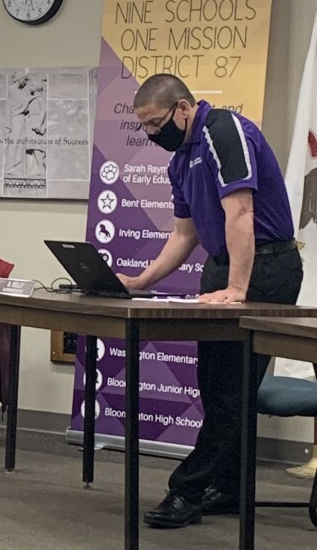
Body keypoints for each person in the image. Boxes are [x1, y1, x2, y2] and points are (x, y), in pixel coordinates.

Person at [117, 74, 303, 528]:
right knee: (217, 387)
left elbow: (241, 210)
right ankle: (229, 487)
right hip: (225, 264)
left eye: (157, 122)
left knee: (231, 390)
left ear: (184, 108)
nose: (151, 134)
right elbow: (185, 233)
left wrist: (238, 289)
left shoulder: (223, 131)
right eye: (144, 127)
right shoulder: (180, 159)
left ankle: (189, 489)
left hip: (266, 266)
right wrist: (139, 281)